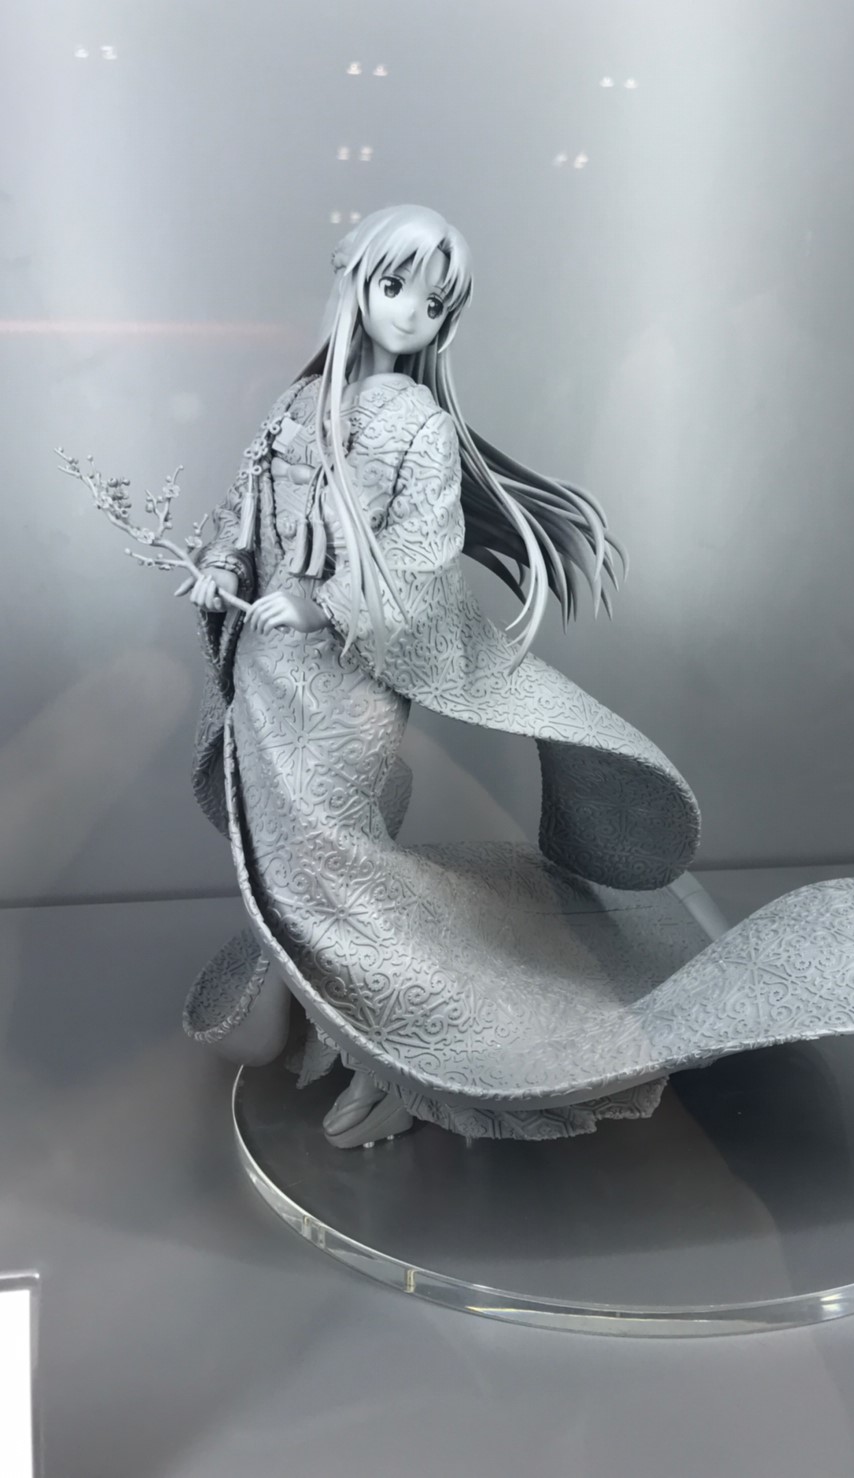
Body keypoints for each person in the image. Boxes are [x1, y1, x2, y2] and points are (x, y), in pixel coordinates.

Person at [180, 204, 703, 1146]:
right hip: (266, 667)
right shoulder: (297, 404)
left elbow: (423, 560)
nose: (411, 314)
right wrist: (221, 567)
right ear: (355, 279)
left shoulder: (421, 426)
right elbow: (242, 509)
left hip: (347, 679)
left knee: (331, 866)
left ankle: (418, 1053)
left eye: (434, 304)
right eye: (395, 287)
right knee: (288, 864)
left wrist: (324, 605)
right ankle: (340, 1027)